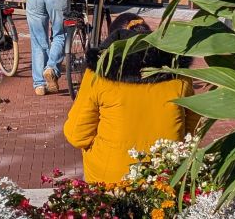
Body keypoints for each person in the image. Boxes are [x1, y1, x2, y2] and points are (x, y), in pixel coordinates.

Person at [63, 21, 199, 184]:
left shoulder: (98, 75)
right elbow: (194, 128)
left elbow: (77, 135)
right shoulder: (179, 75)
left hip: (110, 179)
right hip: (165, 174)